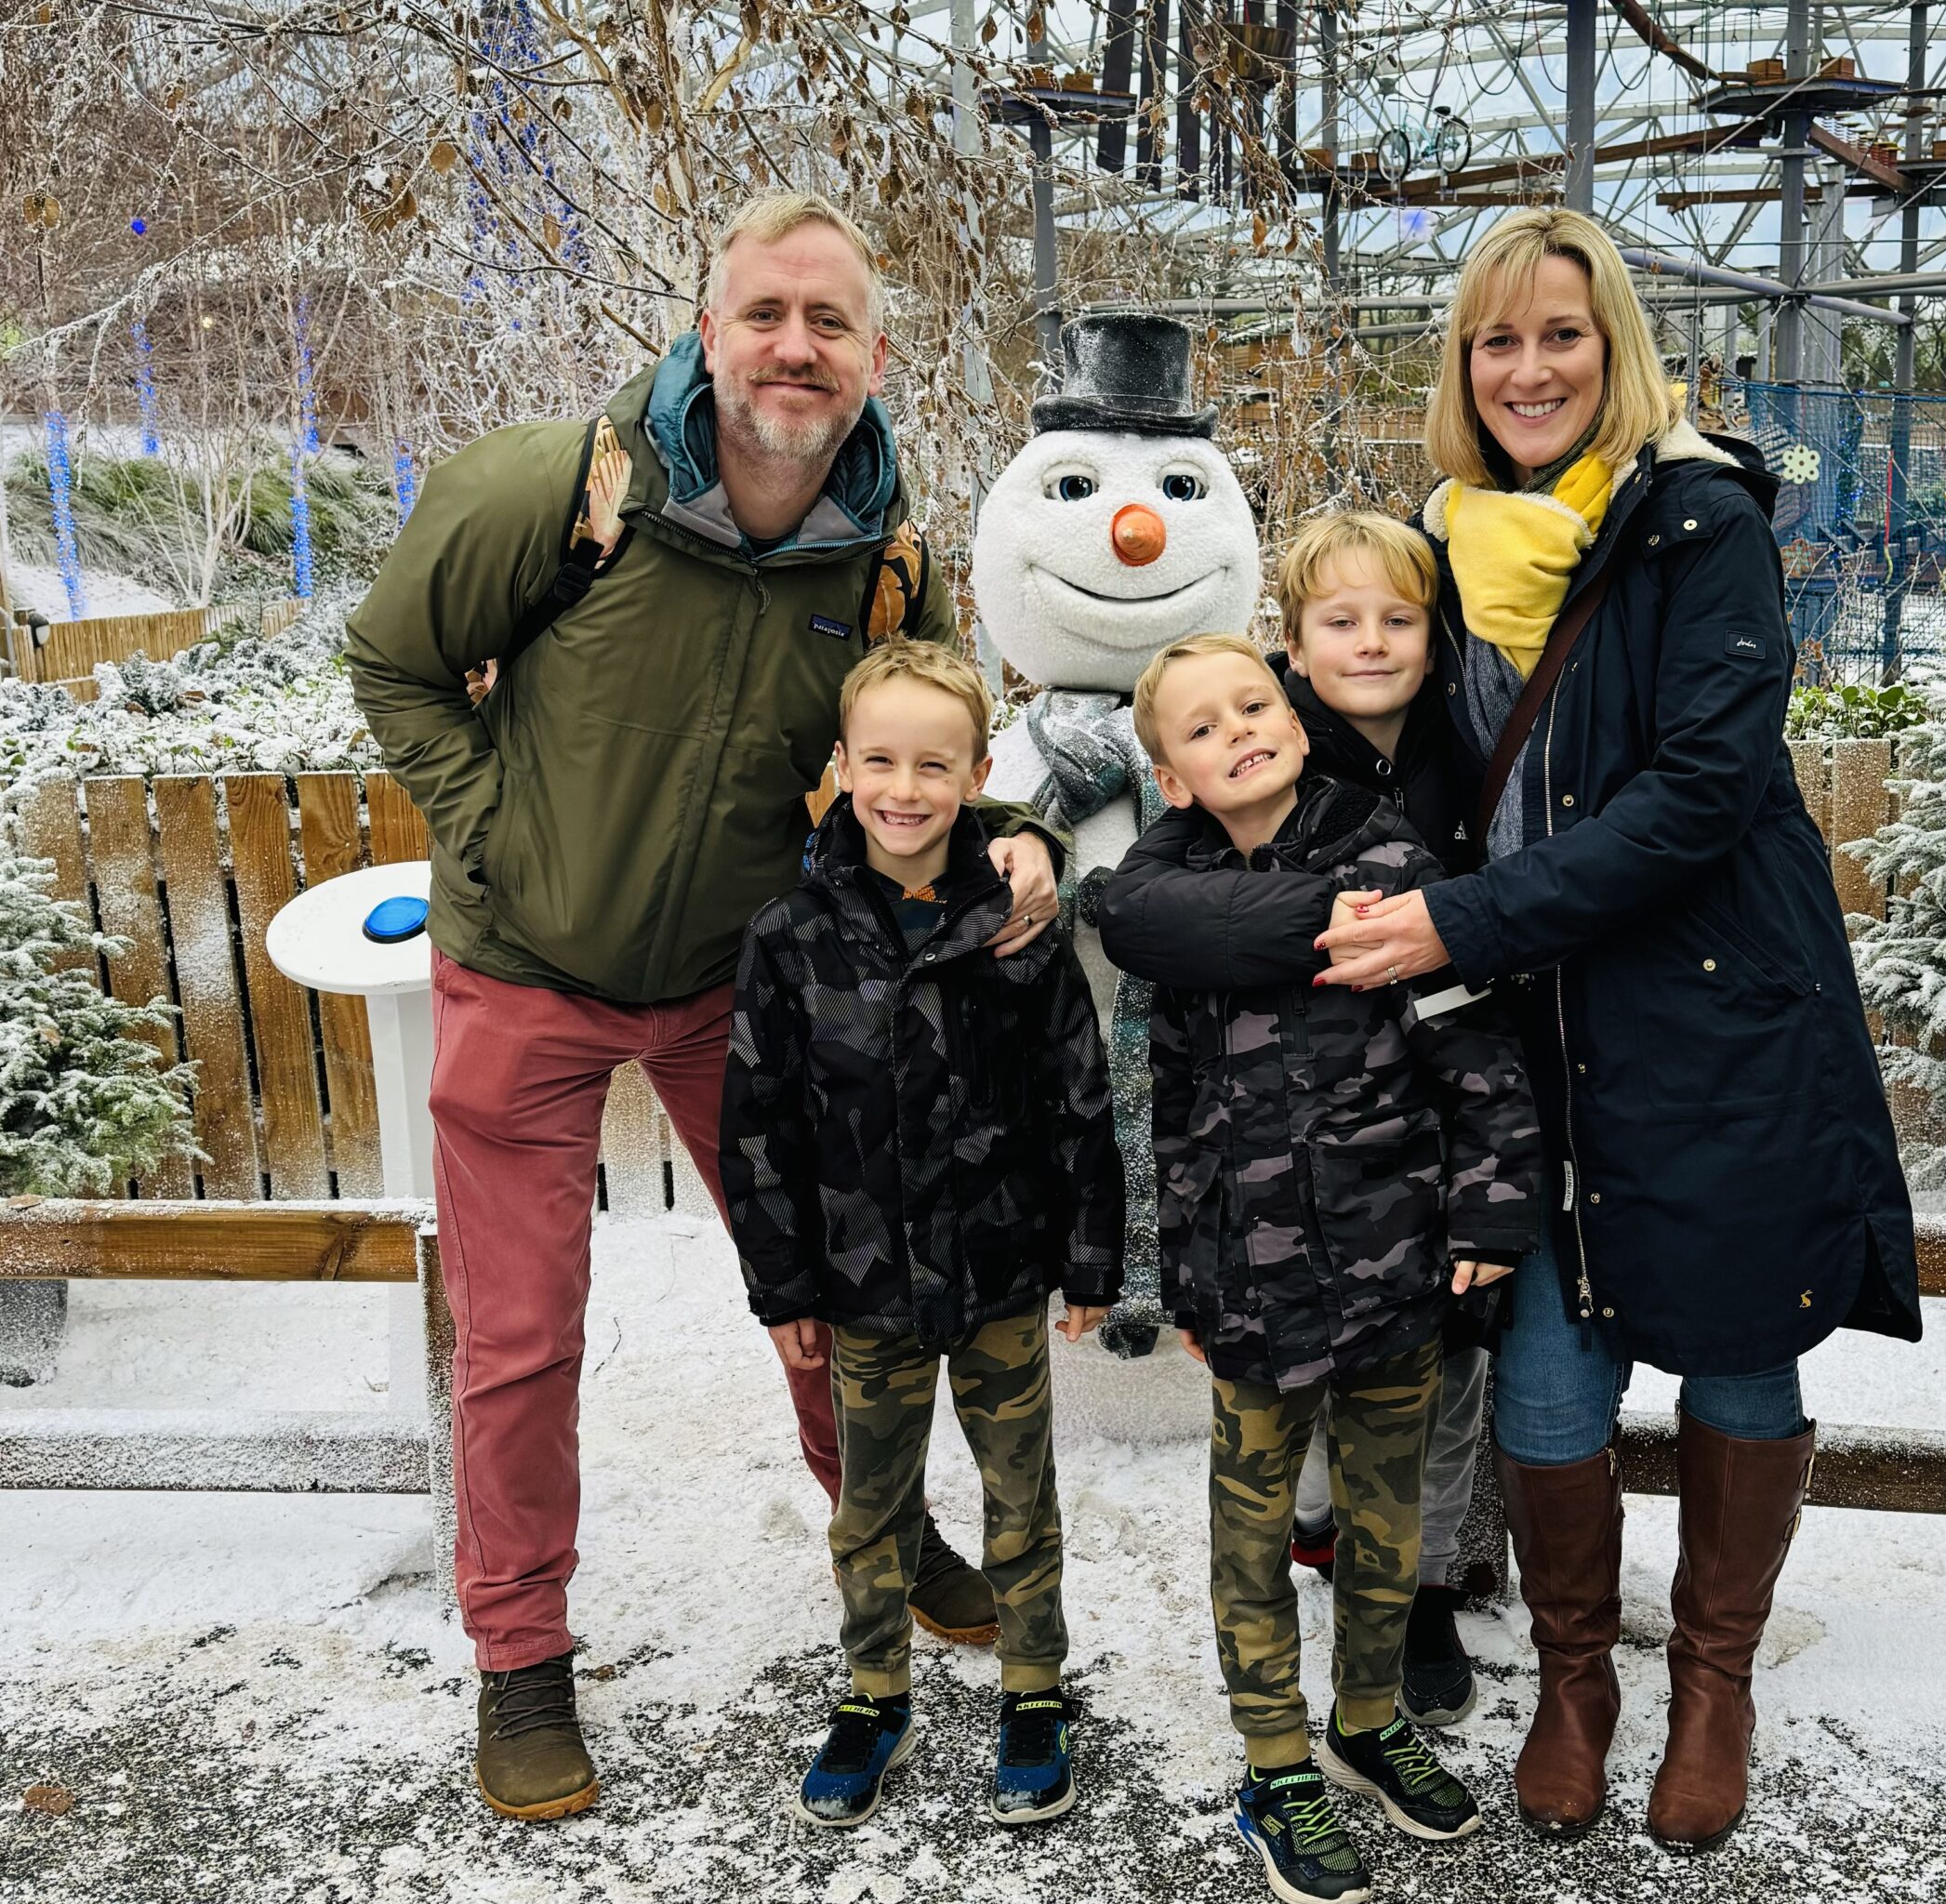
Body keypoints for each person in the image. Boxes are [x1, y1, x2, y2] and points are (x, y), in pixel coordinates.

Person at [346, 192, 1064, 1821]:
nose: (795, 347)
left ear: (877, 357)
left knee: (837, 1284)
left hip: (732, 990)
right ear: (706, 330)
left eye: (830, 323)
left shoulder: (885, 558)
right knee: (522, 1336)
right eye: (766, 315)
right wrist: (500, 829)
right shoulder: (560, 490)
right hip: (523, 968)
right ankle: (521, 1659)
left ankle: (887, 1533)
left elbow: (928, 743)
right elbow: (393, 659)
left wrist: (1011, 835)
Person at [1306, 208, 1925, 1848]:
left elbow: (1704, 793)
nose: (1529, 368)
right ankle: (1577, 1675)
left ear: (1616, 348)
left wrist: (1459, 920)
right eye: (1495, 340)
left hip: (1713, 1012)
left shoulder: (1696, 523)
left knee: (1737, 1329)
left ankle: (1712, 1678)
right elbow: (1352, 726)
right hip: (1530, 1028)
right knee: (1552, 1367)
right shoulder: (1442, 544)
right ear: (1463, 363)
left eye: (1561, 336)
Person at [1129, 634, 1541, 1904]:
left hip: (1395, 1270)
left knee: (1384, 1524)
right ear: (1174, 776)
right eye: (1203, 728)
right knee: (1252, 1533)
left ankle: (1366, 1723)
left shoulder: (1391, 864)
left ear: (1296, 718)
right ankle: (1274, 1763)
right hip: (1250, 1292)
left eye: (1255, 703)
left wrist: (1487, 1220)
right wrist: (1183, 1273)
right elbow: (1175, 1101)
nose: (1240, 730)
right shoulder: (1176, 903)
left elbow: (1474, 1053)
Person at [719, 640, 1123, 1830]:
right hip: (860, 1282)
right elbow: (758, 1125)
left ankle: (1035, 1687)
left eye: (934, 763)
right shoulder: (790, 938)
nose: (905, 787)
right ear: (840, 767)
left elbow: (1078, 1095)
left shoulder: (1017, 926)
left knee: (1020, 1492)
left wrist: (1092, 1253)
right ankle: (870, 1690)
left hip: (997, 1272)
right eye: (880, 759)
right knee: (873, 1499)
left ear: (978, 771)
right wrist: (783, 1281)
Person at [1099, 511, 1494, 1726]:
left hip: (1420, 1165)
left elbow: (1479, 1000)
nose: (1370, 643)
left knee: (1448, 1380)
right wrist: (1358, 913)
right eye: (1339, 621)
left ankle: (1421, 1598)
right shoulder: (1263, 736)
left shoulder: (1476, 737)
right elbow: (1143, 906)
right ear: (1296, 647)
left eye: (1397, 619)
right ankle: (1295, 1665)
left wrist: (1434, 917)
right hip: (1276, 1220)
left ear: (1437, 636)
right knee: (1292, 1434)